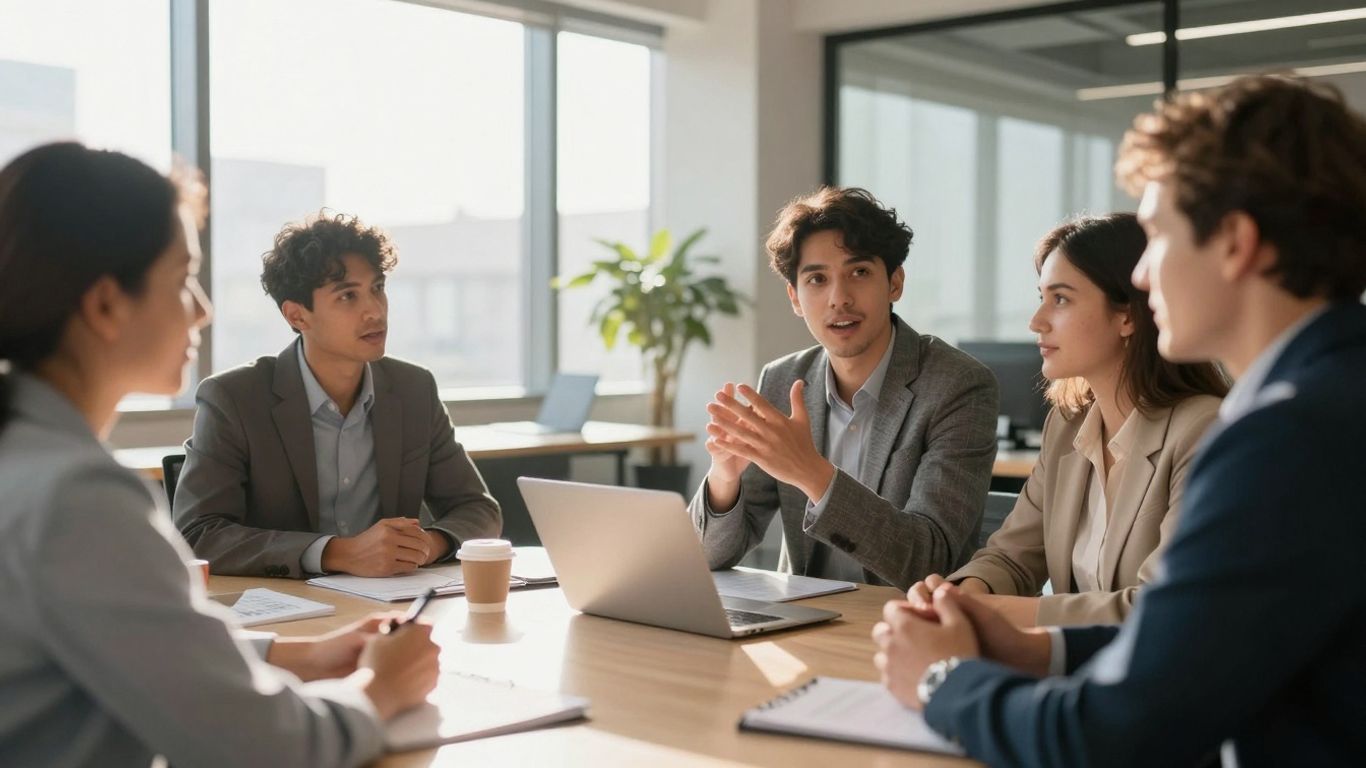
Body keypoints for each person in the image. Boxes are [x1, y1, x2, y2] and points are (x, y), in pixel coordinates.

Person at [874, 75, 1366, 766]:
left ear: (1236, 242)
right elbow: (1200, 646)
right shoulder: (1332, 394)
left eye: (1158, 237)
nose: (1142, 275)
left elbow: (1110, 736)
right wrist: (1034, 647)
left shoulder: (1287, 436)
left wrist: (942, 680)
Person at [0, 142, 439, 767]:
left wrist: (302, 654)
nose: (203, 312)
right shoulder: (76, 498)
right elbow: (268, 747)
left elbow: (133, 645)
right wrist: (382, 688)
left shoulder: (24, 459)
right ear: (104, 305)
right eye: (183, 280)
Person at [912, 214, 1227, 627]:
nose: (1036, 321)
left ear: (1128, 316)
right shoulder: (1067, 426)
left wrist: (989, 611)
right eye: (1041, 297)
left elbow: (1162, 605)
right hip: (1068, 658)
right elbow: (1012, 557)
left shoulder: (1204, 431)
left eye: (1060, 299)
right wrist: (961, 595)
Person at [691, 186, 999, 590]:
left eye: (859, 273)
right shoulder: (782, 380)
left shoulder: (958, 386)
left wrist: (811, 472)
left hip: (908, 619)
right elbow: (708, 556)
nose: (839, 299)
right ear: (795, 298)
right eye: (817, 279)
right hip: (805, 617)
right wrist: (724, 478)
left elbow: (928, 559)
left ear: (895, 283)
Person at [174, 212, 501, 577]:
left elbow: (478, 509)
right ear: (297, 316)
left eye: (377, 288)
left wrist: (426, 545)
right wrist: (337, 553)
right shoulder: (234, 398)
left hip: (391, 599)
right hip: (288, 603)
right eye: (348, 296)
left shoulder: (414, 389)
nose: (375, 311)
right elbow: (197, 534)